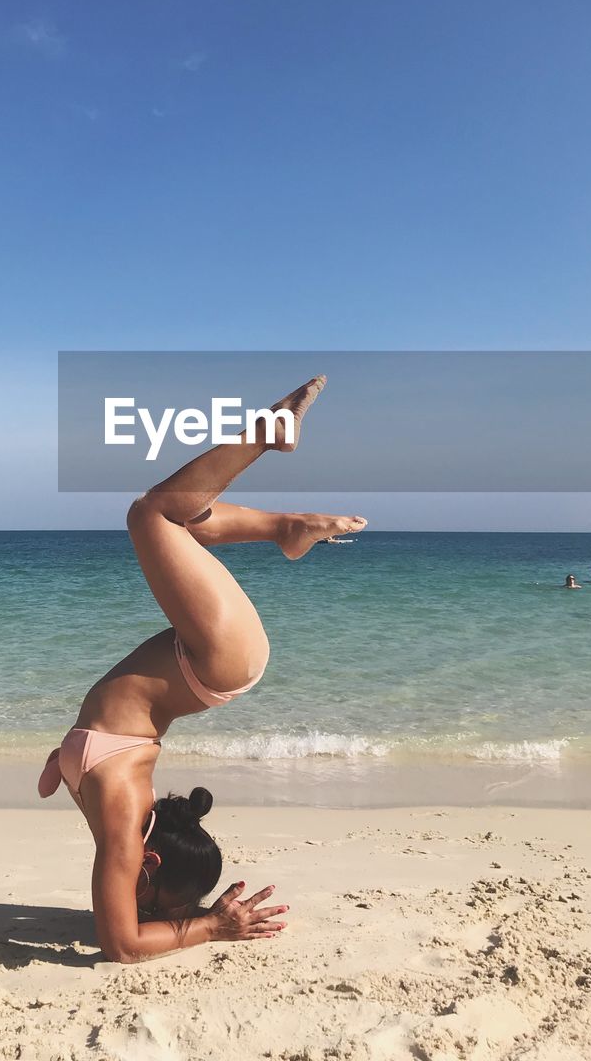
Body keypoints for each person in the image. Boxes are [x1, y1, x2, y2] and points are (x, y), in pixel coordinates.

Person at [38, 375, 366, 962]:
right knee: (151, 516)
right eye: (140, 890)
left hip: (207, 660)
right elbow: (125, 945)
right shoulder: (125, 820)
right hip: (217, 658)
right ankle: (269, 439)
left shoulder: (120, 818)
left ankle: (284, 526)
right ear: (152, 862)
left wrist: (60, 761)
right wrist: (210, 926)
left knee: (178, 518)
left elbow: (121, 939)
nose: (122, 888)